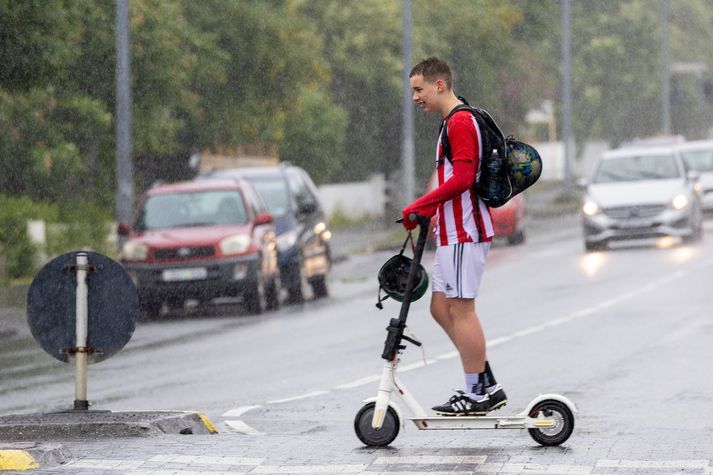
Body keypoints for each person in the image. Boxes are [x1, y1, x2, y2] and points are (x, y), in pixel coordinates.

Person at [401, 57, 507, 415]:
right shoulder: (452, 122)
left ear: (439, 85)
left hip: (464, 231)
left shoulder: (461, 122)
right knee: (439, 307)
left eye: (419, 89)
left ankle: (477, 393)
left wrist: (420, 204)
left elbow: (462, 179)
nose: (416, 97)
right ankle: (485, 381)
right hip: (450, 232)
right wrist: (428, 213)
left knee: (462, 311)